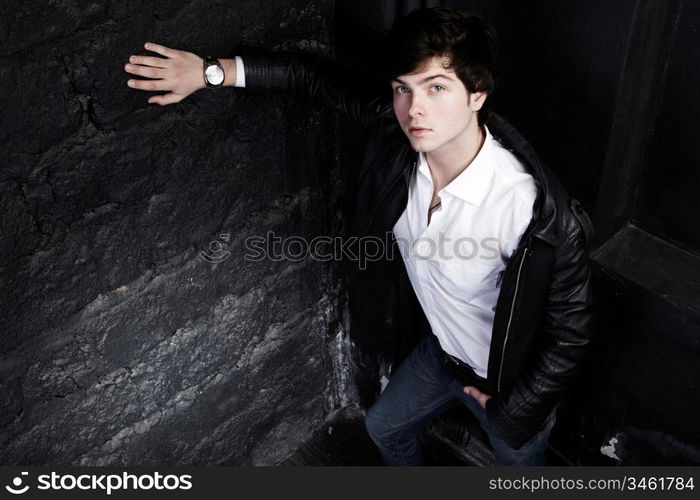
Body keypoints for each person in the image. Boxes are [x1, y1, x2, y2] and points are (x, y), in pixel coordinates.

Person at [124, 7, 595, 466]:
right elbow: (312, 78)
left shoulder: (534, 214)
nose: (416, 110)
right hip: (440, 353)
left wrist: (513, 412)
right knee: (384, 428)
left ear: (477, 95)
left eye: (437, 87)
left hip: (507, 386)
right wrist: (208, 73)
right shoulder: (398, 132)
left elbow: (569, 334)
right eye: (402, 89)